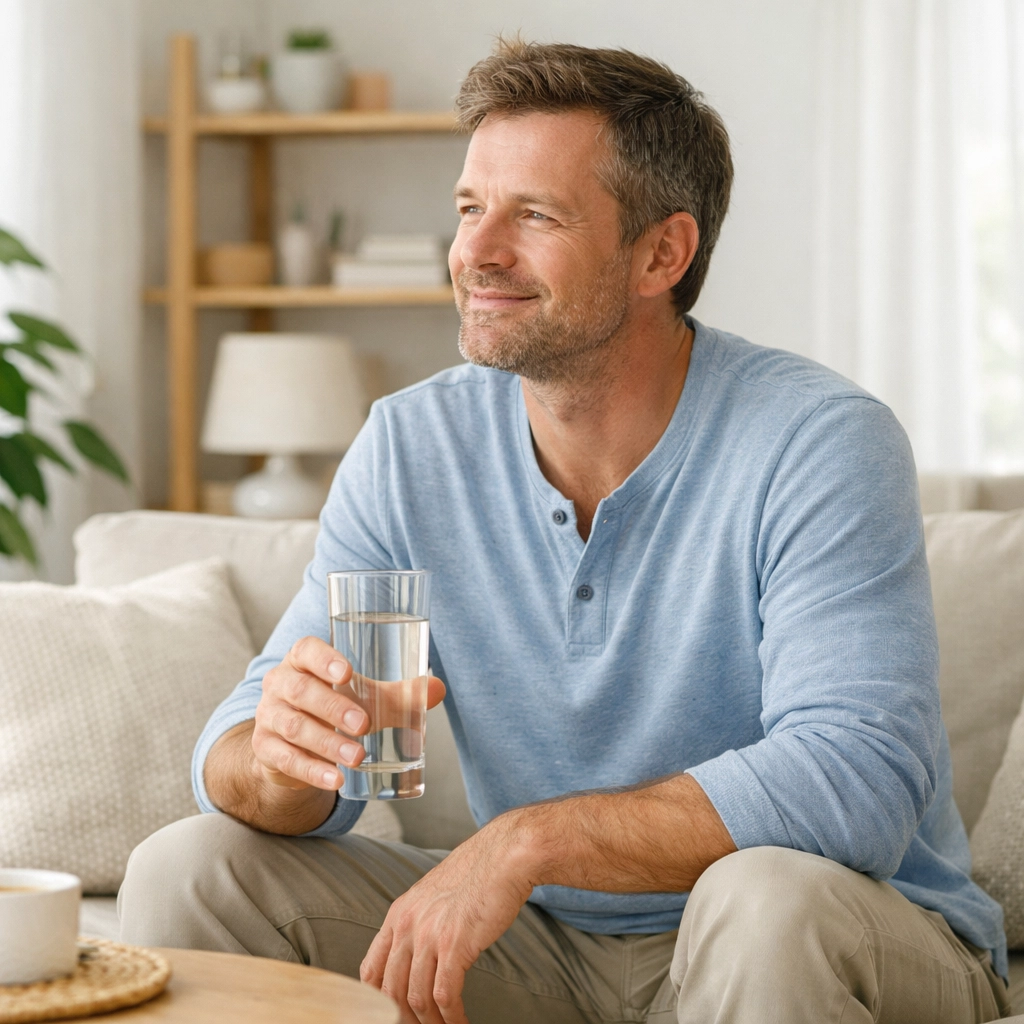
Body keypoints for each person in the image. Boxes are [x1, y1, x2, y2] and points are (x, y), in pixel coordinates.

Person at [119, 39, 1010, 1024]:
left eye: (532, 214)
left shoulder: (817, 442)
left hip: (832, 931)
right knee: (189, 868)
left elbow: (856, 782)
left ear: (660, 254)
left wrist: (519, 844)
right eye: (469, 208)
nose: (476, 251)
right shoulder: (413, 445)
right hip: (543, 951)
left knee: (758, 900)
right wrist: (282, 760)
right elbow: (253, 752)